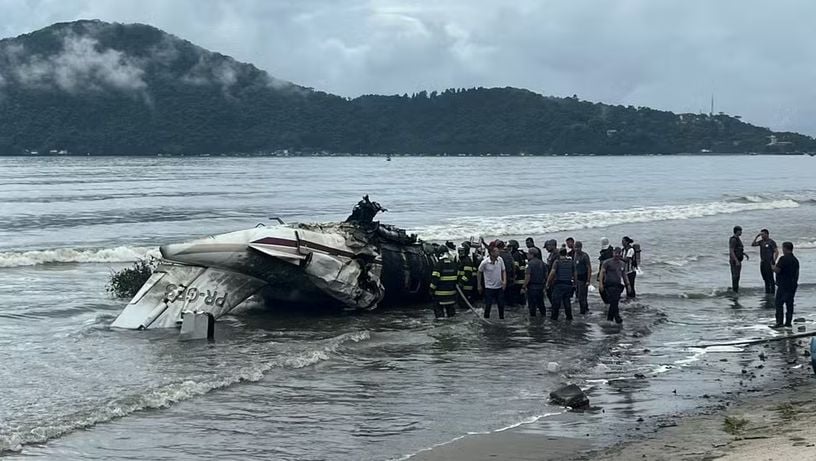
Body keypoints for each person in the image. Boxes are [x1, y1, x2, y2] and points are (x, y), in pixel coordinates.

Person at [599, 247, 630, 324]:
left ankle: (610, 319)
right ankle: (617, 317)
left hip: (618, 285)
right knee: (614, 301)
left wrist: (628, 285)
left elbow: (624, 275)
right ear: (613, 253)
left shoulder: (622, 264)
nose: (617, 255)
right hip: (609, 285)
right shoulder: (607, 262)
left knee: (615, 301)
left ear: (620, 254)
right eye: (615, 253)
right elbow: (601, 273)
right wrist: (601, 284)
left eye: (618, 253)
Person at [773, 242, 799, 328]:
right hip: (792, 285)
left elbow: (777, 270)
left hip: (783, 285)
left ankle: (779, 322)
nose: (782, 250)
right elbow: (796, 273)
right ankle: (788, 322)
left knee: (779, 303)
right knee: (789, 304)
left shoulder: (783, 259)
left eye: (783, 248)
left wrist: (772, 267)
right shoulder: (795, 260)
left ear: (785, 248)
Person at [546, 248, 576, 321]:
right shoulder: (571, 262)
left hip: (559, 284)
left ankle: (554, 319)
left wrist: (547, 283)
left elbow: (552, 273)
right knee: (567, 302)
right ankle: (569, 318)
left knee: (556, 303)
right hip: (568, 284)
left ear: (559, 254)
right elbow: (575, 273)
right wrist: (575, 283)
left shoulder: (557, 262)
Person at [430, 247, 459, 318]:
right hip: (451, 295)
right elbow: (457, 279)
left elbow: (435, 280)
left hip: (439, 296)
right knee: (451, 316)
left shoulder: (438, 265)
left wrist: (431, 290)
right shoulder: (454, 265)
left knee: (440, 317)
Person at [478, 246, 507, 319]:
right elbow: (479, 272)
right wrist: (479, 285)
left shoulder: (500, 259)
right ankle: (486, 319)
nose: (498, 252)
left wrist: (504, 281)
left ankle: (501, 319)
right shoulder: (485, 262)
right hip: (489, 287)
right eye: (496, 251)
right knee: (488, 305)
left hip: (499, 286)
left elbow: (503, 270)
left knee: (501, 305)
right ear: (491, 253)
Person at [752, 229, 779, 295]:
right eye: (761, 234)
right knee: (765, 278)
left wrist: (774, 260)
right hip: (763, 262)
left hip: (769, 262)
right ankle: (767, 292)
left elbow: (776, 251)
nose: (762, 236)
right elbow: (753, 244)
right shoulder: (761, 242)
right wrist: (756, 237)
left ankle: (772, 292)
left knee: (770, 278)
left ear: (767, 234)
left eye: (763, 234)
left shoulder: (771, 242)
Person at [522, 247, 547, 317]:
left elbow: (527, 276)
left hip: (532, 287)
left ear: (532, 254)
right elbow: (546, 275)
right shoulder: (542, 263)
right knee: (541, 304)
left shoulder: (529, 264)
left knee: (532, 306)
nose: (527, 256)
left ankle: (533, 322)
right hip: (540, 287)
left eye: (528, 254)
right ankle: (543, 318)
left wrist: (523, 286)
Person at [573, 241, 592, 314]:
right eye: (575, 247)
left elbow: (589, 268)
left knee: (582, 296)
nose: (576, 249)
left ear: (581, 247)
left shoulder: (584, 256)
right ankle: (585, 309)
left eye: (578, 247)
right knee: (579, 295)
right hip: (577, 278)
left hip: (583, 278)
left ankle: (583, 311)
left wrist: (588, 280)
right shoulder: (575, 255)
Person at [729, 226, 749, 293]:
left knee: (737, 276)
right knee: (735, 276)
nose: (741, 232)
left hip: (739, 259)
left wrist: (744, 254)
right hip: (735, 261)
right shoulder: (734, 239)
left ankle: (735, 289)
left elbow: (738, 249)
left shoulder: (738, 239)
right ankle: (735, 290)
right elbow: (731, 251)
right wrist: (736, 260)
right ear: (736, 231)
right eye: (740, 231)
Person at [508, 240, 527, 304]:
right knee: (521, 296)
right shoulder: (521, 253)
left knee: (517, 297)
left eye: (510, 247)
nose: (509, 248)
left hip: (518, 279)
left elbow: (515, 267)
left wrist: (513, 276)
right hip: (522, 278)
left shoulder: (515, 255)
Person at [597, 237, 614, 304]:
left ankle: (608, 302)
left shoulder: (607, 253)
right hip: (609, 274)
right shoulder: (611, 250)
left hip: (606, 274)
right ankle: (608, 302)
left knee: (604, 290)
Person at [544, 239, 558, 304]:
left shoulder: (557, 254)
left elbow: (555, 268)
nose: (547, 248)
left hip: (555, 278)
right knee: (549, 293)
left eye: (548, 246)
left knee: (554, 295)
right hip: (550, 277)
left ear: (553, 245)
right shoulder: (551, 254)